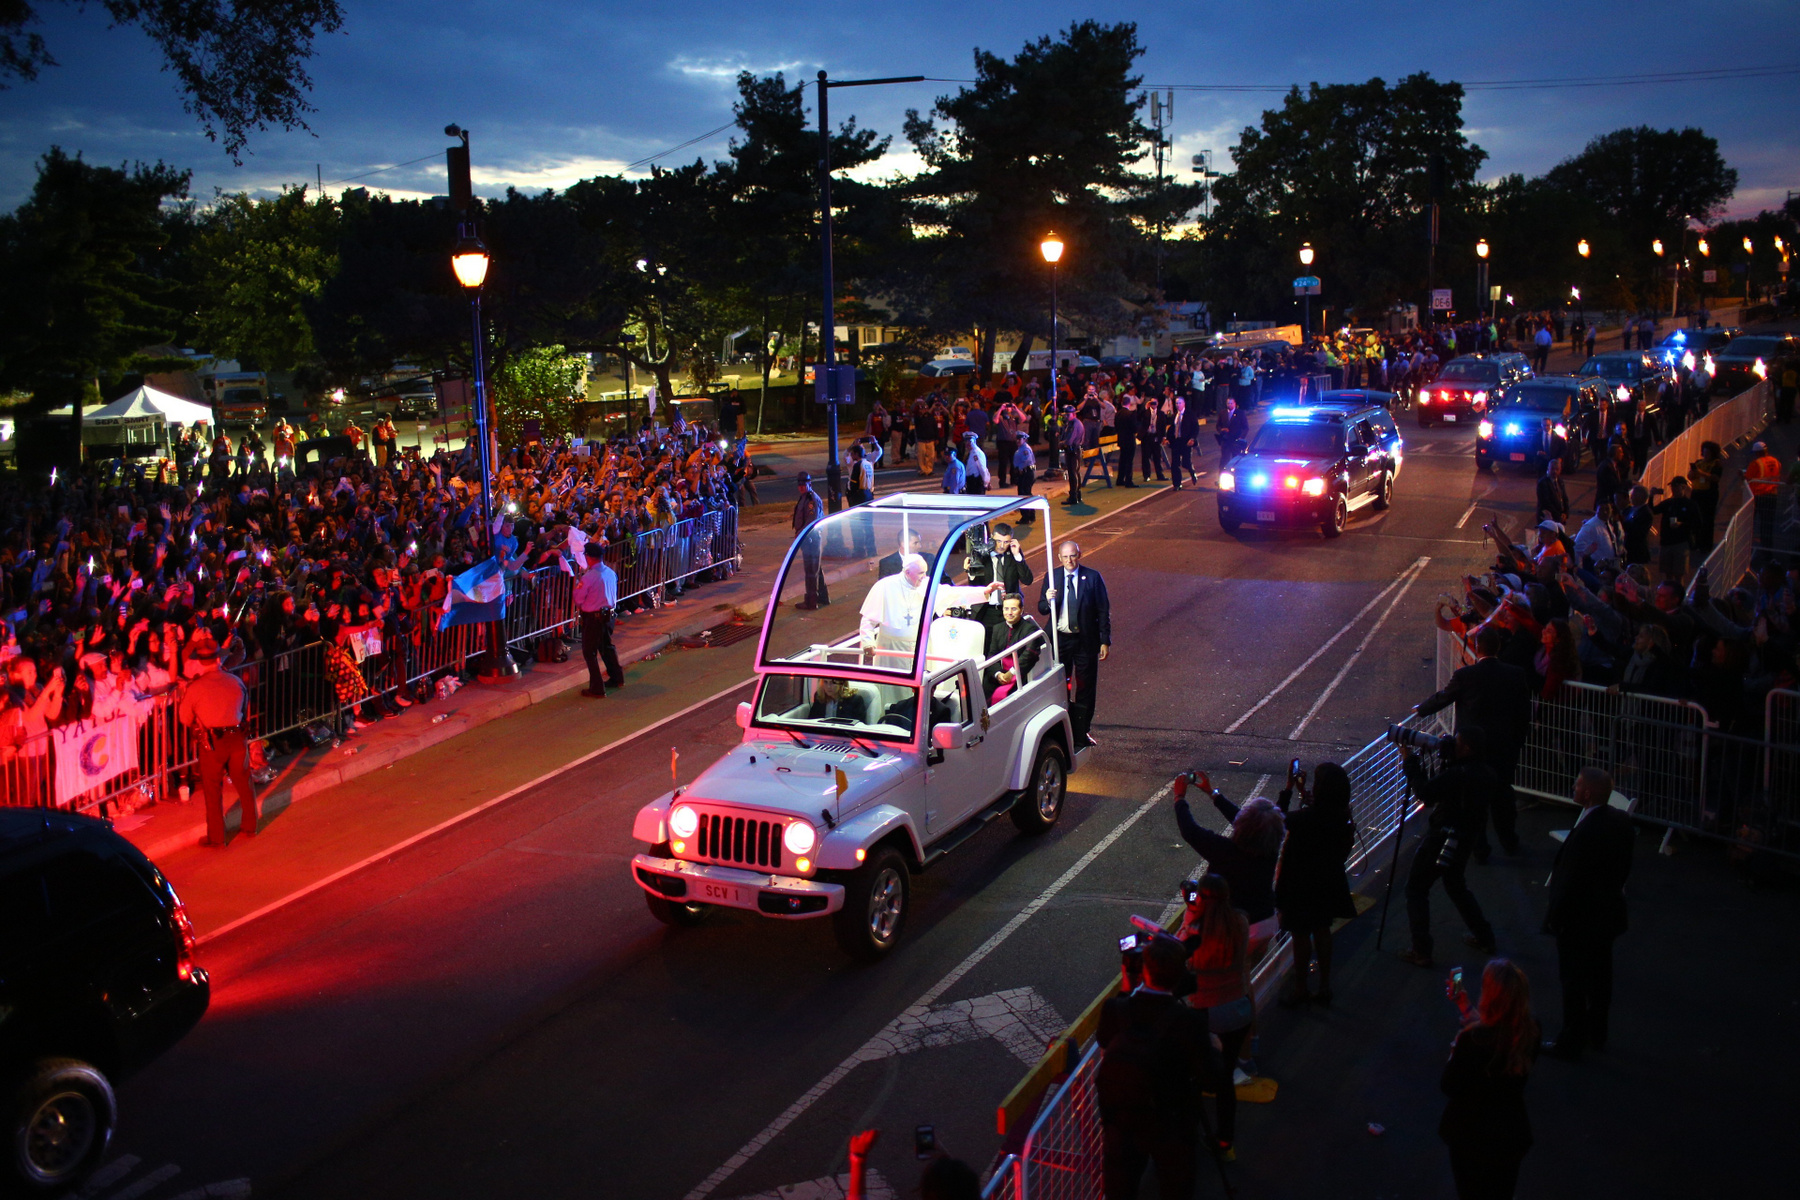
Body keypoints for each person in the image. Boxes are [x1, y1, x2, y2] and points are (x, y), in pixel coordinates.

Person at [1096, 934, 1221, 1200]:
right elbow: (1210, 1080)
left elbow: (1105, 1040)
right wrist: (1215, 1050)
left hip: (1122, 1120)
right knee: (1176, 1189)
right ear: (1180, 976)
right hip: (1171, 1123)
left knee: (1121, 1190)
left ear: (1143, 969)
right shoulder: (1189, 1021)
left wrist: (1128, 986)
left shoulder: (1114, 1009)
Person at [1541, 766, 1634, 1060]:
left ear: (1588, 793)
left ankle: (1571, 1041)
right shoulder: (1621, 822)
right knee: (1600, 978)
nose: (1573, 786)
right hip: (1608, 916)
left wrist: (1556, 919)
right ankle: (1597, 1034)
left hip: (1579, 921)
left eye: (1577, 784)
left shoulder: (1585, 834)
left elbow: (1568, 882)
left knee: (1573, 981)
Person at [1415, 625, 1531, 856]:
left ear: (1477, 648)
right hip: (1504, 747)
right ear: (1498, 646)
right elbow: (1524, 714)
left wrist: (1421, 709)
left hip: (1471, 749)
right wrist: (1517, 742)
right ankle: (1509, 841)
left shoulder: (1465, 675)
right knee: (1502, 796)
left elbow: (1444, 697)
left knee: (1472, 801)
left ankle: (1479, 848)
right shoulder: (1516, 674)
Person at [1397, 727, 1498, 967]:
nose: (1453, 743)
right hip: (1466, 837)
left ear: (1468, 748)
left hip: (1443, 836)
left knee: (1416, 889)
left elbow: (1426, 793)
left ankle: (1421, 950)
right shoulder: (1485, 772)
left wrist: (1410, 762)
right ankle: (1485, 937)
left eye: (1459, 741)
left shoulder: (1459, 774)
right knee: (1455, 884)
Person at [1441, 959, 1539, 1200]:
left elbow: (1449, 1086)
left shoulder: (1471, 1042)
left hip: (1471, 1138)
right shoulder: (1530, 1032)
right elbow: (1495, 1032)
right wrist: (1465, 1007)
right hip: (1510, 1135)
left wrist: (1455, 1052)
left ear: (1491, 996)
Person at [1179, 873, 1252, 1160]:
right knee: (1225, 1082)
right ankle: (1226, 1142)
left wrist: (1192, 911)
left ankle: (1191, 1135)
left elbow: (1181, 954)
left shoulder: (1197, 929)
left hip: (1208, 1012)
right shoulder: (1241, 922)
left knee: (1195, 1075)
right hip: (1240, 1009)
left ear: (1204, 898)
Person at [1274, 761, 1357, 1006]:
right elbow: (1323, 812)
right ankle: (1324, 986)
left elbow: (1277, 818)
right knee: (1322, 930)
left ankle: (1300, 987)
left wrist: (1289, 787)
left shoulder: (1305, 819)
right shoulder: (1342, 816)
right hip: (1328, 882)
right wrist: (1304, 794)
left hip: (1300, 883)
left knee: (1300, 935)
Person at [175, 630, 258, 846]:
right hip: (237, 737)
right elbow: (244, 707)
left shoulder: (196, 688)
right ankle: (250, 826)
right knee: (244, 783)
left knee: (212, 790)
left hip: (212, 743)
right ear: (218, 659)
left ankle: (217, 837)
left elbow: (184, 718)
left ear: (201, 663)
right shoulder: (235, 681)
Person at [1171, 771, 1284, 924]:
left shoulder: (1227, 852)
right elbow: (1246, 821)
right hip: (1266, 919)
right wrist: (1213, 794)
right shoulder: (1270, 847)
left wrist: (1179, 798)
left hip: (1236, 926)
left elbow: (1190, 831)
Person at [1037, 541, 1109, 746]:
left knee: (1086, 687)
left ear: (1079, 554)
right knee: (1061, 686)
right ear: (1059, 558)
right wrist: (1048, 599)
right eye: (1065, 557)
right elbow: (1042, 608)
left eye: (1073, 556)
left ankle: (1082, 731)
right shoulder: (1052, 577)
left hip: (1085, 640)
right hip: (1061, 640)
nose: (1069, 561)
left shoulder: (1092, 577)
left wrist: (1105, 640)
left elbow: (1103, 609)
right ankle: (1064, 731)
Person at [574, 541, 624, 698]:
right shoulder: (610, 572)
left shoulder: (589, 577)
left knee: (589, 652)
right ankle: (617, 678)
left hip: (594, 617)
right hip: (608, 615)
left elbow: (578, 598)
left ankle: (597, 687)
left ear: (588, 557)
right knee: (607, 646)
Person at [860, 553, 929, 663]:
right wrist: (868, 642)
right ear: (907, 572)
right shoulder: (885, 585)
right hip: (890, 650)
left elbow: (949, 593)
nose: (925, 576)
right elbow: (868, 619)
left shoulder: (926, 584)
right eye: (921, 573)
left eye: (925, 572)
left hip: (917, 647)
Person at [980, 592, 1040, 701]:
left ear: (1021, 610)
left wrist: (1011, 673)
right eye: (1006, 609)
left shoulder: (1030, 629)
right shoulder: (997, 628)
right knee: (981, 691)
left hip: (1020, 675)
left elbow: (1029, 655)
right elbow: (992, 655)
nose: (1009, 613)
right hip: (1001, 673)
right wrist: (998, 674)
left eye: (1013, 609)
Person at [792, 472, 829, 610]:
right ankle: (823, 597)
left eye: (804, 484)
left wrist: (800, 535)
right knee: (815, 568)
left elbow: (811, 521)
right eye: (799, 485)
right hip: (810, 537)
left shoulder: (811, 500)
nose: (801, 487)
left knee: (810, 570)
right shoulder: (805, 498)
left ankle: (811, 601)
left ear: (809, 484)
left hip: (810, 538)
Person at [965, 523, 1034, 594]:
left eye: (1006, 542)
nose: (1002, 546)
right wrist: (971, 572)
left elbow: (1027, 581)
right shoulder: (982, 553)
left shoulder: (1013, 553)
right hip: (986, 602)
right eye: (998, 541)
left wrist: (1017, 556)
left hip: (1008, 602)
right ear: (991, 537)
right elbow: (975, 587)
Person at [1745, 441, 1782, 567]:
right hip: (1772, 495)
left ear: (1758, 452)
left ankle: (1745, 552)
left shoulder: (1756, 463)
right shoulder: (1776, 461)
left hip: (1758, 496)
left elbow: (1747, 477)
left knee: (1749, 523)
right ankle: (1767, 553)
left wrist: (1741, 475)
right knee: (1767, 526)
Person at [805, 676, 870, 722]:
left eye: (833, 683)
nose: (828, 686)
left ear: (842, 683)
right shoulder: (819, 697)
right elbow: (811, 721)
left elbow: (859, 727)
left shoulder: (855, 700)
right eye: (825, 682)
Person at [1535, 457, 1570, 528]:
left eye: (1557, 469)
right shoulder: (1543, 483)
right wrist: (1558, 516)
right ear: (1548, 469)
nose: (1555, 471)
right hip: (1548, 519)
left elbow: (1565, 498)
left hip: (1559, 518)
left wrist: (1566, 513)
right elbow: (1546, 502)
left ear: (1560, 470)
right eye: (1552, 469)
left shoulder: (1560, 481)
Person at [1215, 395, 1248, 466]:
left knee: (1236, 459)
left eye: (1231, 403)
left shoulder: (1240, 413)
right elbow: (1218, 425)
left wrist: (1241, 437)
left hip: (1236, 441)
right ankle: (1222, 473)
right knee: (1224, 459)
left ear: (1235, 404)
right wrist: (1221, 430)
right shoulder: (1222, 413)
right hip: (1225, 440)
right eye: (1228, 403)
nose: (1229, 405)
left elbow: (1245, 427)